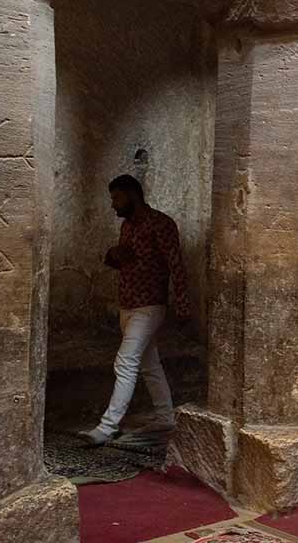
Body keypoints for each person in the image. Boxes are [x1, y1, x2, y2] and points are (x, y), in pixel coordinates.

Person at [81, 174, 190, 446]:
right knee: (149, 364)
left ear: (132, 194)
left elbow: (176, 264)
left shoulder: (161, 224)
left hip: (149, 306)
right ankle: (166, 418)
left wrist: (184, 306)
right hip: (128, 304)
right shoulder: (127, 228)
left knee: (125, 362)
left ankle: (107, 427)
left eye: (117, 198)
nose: (113, 205)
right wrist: (115, 256)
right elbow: (129, 261)